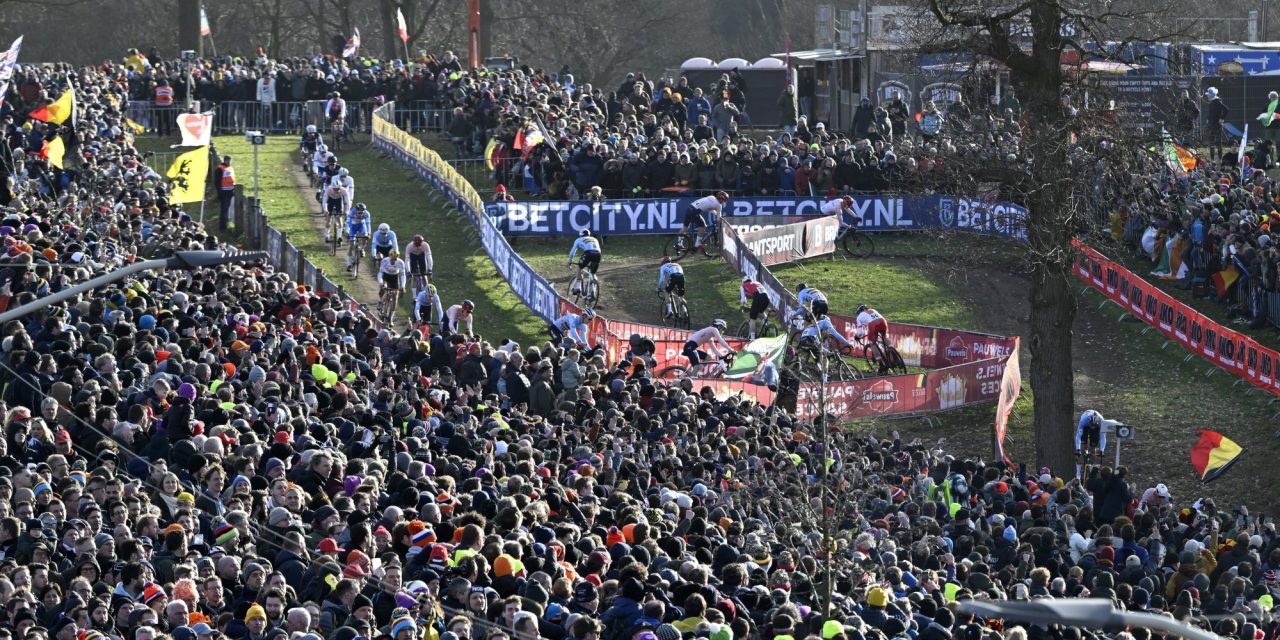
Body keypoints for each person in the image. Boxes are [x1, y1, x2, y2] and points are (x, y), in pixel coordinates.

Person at [1074, 409, 1117, 479]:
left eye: (1093, 426)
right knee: (1082, 448)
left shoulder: (1101, 422)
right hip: (1085, 426)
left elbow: (1103, 437)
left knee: (1093, 449)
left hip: (1097, 427)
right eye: (1091, 426)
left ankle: (1091, 468)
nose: (1092, 428)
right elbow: (1078, 436)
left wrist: (1101, 450)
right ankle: (1078, 473)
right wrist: (1078, 449)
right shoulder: (1083, 420)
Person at [854, 304, 890, 373]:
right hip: (883, 321)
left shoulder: (859, 317)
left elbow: (860, 333)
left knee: (872, 343)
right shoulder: (873, 310)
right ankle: (892, 351)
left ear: (859, 311)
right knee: (884, 337)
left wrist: (857, 337)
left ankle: (881, 364)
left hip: (873, 325)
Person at [567, 229, 602, 295]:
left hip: (588, 253)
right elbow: (598, 249)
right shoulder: (595, 239)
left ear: (580, 235)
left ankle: (578, 288)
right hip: (598, 254)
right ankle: (593, 290)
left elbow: (572, 252)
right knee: (593, 273)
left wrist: (570, 260)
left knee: (579, 268)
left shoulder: (578, 240)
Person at [1205, 87, 1229, 161]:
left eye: (1208, 95)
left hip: (1217, 125)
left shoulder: (1217, 102)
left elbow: (1226, 109)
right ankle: (1212, 159)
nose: (1207, 96)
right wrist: (1208, 119)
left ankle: (1220, 158)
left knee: (1218, 142)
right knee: (1211, 142)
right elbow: (1211, 113)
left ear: (1212, 95)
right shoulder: (1211, 102)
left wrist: (1222, 118)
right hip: (1211, 124)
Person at [346, 203, 372, 268]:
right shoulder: (351, 213)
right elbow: (348, 223)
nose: (360, 215)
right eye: (359, 213)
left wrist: (369, 233)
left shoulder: (367, 214)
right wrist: (347, 232)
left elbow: (368, 224)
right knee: (351, 246)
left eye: (362, 213)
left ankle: (362, 249)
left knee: (365, 237)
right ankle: (349, 264)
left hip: (361, 226)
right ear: (356, 210)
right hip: (352, 227)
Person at [216, 155, 235, 231]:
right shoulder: (220, 169)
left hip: (230, 192)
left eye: (230, 161)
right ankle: (223, 227)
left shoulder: (230, 168)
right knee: (224, 210)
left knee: (226, 210)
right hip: (224, 192)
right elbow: (217, 182)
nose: (229, 162)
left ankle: (224, 225)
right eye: (228, 161)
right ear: (225, 160)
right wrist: (220, 192)